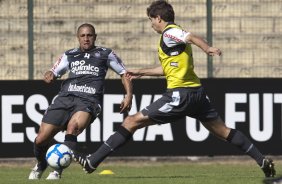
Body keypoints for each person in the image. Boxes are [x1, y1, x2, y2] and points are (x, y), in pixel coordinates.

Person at [73, 0, 275, 178]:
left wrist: (207, 48)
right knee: (223, 131)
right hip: (197, 94)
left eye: (151, 19)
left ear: (158, 18)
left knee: (131, 121)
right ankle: (261, 160)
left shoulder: (170, 32)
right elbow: (166, 68)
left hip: (180, 95)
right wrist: (141, 72)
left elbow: (192, 37)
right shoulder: (172, 38)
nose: (151, 24)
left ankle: (92, 161)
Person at [28, 23, 133, 180]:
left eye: (89, 35)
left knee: (73, 127)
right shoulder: (69, 54)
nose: (86, 39)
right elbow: (54, 71)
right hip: (65, 98)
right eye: (83, 36)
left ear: (95, 37)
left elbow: (124, 73)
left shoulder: (105, 53)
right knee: (41, 138)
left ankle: (57, 170)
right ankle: (41, 163)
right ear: (78, 38)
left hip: (89, 100)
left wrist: (128, 95)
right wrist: (49, 74)